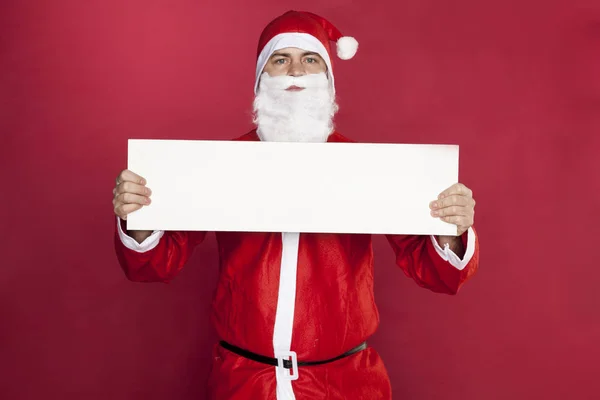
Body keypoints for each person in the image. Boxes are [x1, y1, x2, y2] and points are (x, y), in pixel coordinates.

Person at [112, 10, 479, 400]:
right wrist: (138, 215)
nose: (295, 73)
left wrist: (452, 228)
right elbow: (153, 264)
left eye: (309, 60)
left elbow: (440, 274)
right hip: (245, 383)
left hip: (346, 385)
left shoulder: (368, 166)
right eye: (280, 59)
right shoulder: (222, 163)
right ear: (261, 77)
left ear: (327, 78)